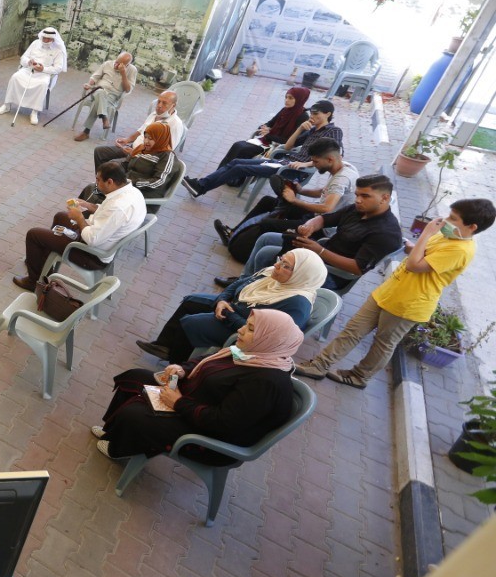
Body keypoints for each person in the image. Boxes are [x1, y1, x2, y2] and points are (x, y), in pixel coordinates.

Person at [295, 198, 495, 388]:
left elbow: (415, 265)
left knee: (382, 344)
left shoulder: (461, 250)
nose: (445, 221)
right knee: (352, 331)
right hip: (390, 291)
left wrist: (425, 233)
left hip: (409, 303)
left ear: (472, 227)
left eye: (453, 218)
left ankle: (359, 376)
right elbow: (420, 253)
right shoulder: (446, 236)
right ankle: (319, 365)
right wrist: (411, 247)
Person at [95, 309, 303, 460]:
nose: (240, 330)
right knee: (136, 376)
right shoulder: (253, 354)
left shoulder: (265, 382)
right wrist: (183, 369)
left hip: (211, 437)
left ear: (268, 338)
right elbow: (208, 361)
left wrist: (178, 403)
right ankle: (112, 431)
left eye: (250, 329)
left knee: (136, 414)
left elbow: (224, 423)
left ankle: (119, 449)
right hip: (199, 400)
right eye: (246, 324)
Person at [136, 248, 325, 365]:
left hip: (238, 328)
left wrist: (227, 313)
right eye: (281, 260)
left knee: (191, 323)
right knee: (191, 301)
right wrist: (222, 300)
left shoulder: (296, 304)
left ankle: (177, 364)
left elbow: (263, 339)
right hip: (232, 307)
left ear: (301, 275)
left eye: (286, 266)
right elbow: (239, 284)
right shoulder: (272, 274)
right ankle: (165, 346)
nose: (277, 266)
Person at [222, 175, 402, 289]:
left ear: (385, 198)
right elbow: (325, 219)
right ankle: (244, 283)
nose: (358, 200)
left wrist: (319, 250)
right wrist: (309, 226)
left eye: (365, 196)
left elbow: (357, 268)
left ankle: (251, 290)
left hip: (332, 274)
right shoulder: (358, 209)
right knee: (266, 238)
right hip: (317, 254)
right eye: (357, 195)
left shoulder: (386, 233)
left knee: (267, 254)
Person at [14, 160, 147, 290]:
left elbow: (92, 239)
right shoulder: (130, 191)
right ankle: (41, 264)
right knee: (60, 216)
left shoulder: (118, 208)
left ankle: (33, 282)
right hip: (99, 238)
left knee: (34, 235)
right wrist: (87, 205)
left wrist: (79, 218)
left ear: (110, 182)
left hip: (91, 255)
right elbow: (106, 212)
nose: (96, 183)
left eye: (98, 180)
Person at [209, 137, 359, 252]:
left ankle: (246, 252)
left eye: (315, 162)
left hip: (321, 227)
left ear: (330, 159)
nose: (313, 165)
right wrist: (301, 191)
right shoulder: (343, 166)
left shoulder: (341, 179)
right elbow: (324, 191)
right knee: (268, 201)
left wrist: (294, 200)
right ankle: (233, 233)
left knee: (268, 223)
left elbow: (327, 208)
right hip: (316, 215)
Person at [182, 100, 341, 197]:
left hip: (294, 170)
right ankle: (200, 185)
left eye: (316, 113)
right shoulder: (312, 130)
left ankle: (201, 187)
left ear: (328, 114)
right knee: (236, 161)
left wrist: (305, 164)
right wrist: (300, 129)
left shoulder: (333, 131)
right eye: (311, 113)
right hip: (284, 162)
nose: (312, 116)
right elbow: (288, 146)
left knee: (239, 168)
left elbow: (333, 156)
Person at [214, 86, 311, 168]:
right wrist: (265, 127)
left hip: (278, 148)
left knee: (243, 149)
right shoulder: (285, 110)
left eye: (290, 98)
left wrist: (269, 134)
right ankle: (222, 172)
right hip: (267, 141)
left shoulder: (303, 117)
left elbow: (290, 141)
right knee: (238, 145)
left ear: (300, 99)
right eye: (286, 97)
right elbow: (270, 123)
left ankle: (232, 178)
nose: (286, 100)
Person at [92, 90, 183, 169]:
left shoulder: (175, 124)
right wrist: (127, 140)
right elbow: (141, 130)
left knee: (111, 166)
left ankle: (107, 181)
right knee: (100, 152)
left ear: (173, 105)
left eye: (164, 103)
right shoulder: (154, 114)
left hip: (144, 159)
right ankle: (101, 181)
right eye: (159, 101)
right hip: (132, 149)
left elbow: (165, 152)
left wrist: (136, 153)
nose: (159, 105)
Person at [0, 28, 67, 125]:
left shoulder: (58, 50)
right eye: (44, 38)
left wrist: (43, 69)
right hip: (28, 70)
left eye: (48, 39)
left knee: (43, 84)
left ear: (53, 39)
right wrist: (28, 61)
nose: (45, 40)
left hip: (44, 74)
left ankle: (34, 111)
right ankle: (7, 105)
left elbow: (58, 68)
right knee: (15, 77)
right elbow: (24, 57)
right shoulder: (35, 43)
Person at [75, 52, 138, 141]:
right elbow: (95, 77)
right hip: (97, 90)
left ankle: (86, 132)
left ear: (127, 65)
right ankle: (104, 117)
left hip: (112, 97)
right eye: (116, 62)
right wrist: (89, 84)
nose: (116, 65)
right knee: (100, 92)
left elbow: (128, 89)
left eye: (120, 64)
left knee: (97, 102)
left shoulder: (132, 70)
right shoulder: (107, 64)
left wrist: (123, 74)